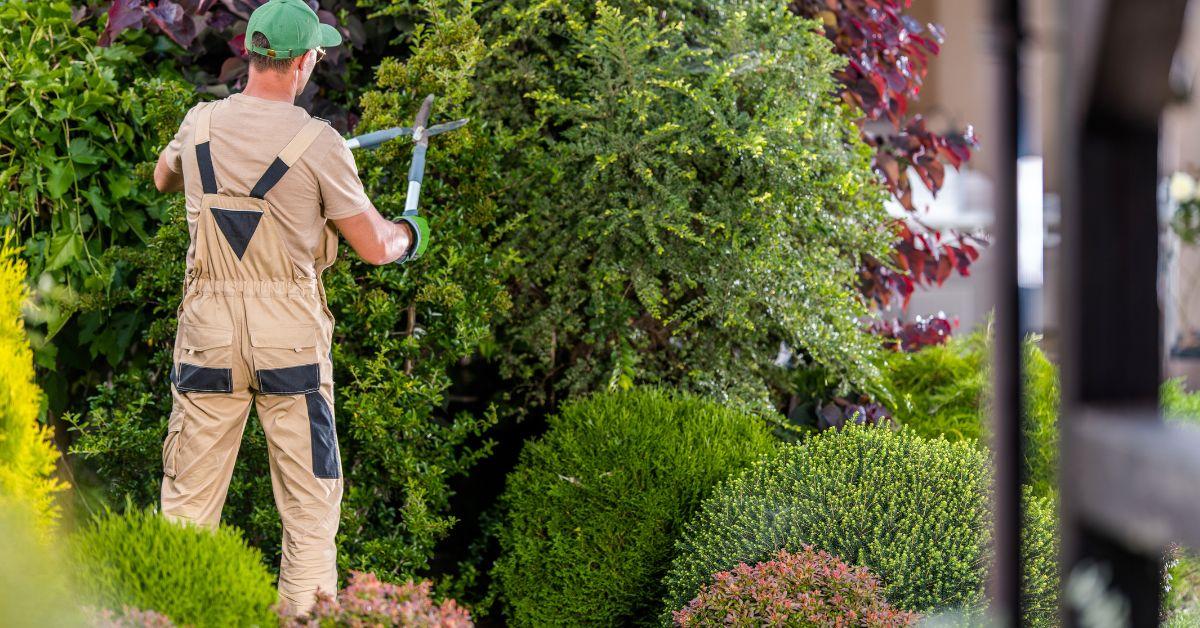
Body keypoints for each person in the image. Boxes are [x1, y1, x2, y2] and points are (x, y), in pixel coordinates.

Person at [151, 0, 425, 614]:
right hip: (290, 341)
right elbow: (377, 248)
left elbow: (163, 178)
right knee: (308, 511)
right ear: (303, 62)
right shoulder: (320, 143)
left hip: (208, 335)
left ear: (252, 53)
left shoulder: (198, 124)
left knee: (187, 509)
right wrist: (411, 233)